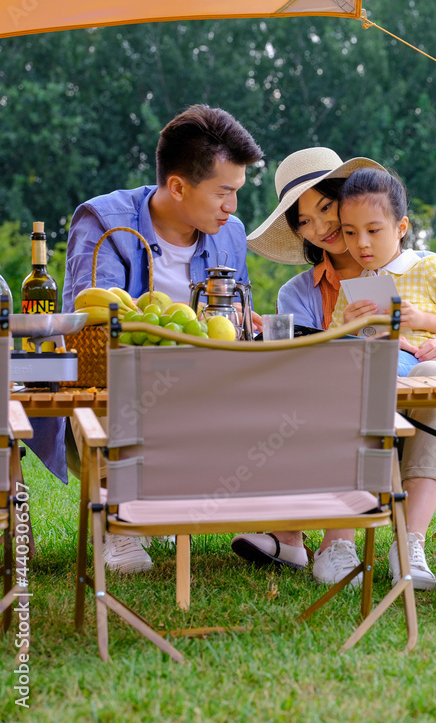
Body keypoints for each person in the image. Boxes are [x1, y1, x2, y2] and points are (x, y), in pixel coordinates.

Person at [236, 147, 436, 591]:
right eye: (304, 222)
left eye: (327, 210)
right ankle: (331, 541)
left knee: (429, 384)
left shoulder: (422, 270)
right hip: (347, 405)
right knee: (343, 394)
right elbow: (315, 361)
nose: (324, 229)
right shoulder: (304, 294)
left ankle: (404, 542)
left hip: (418, 403)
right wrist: (337, 333)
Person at [29, 104, 264, 574]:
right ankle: (117, 519)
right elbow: (91, 332)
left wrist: (242, 323)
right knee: (120, 378)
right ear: (177, 185)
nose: (231, 207)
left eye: (236, 192)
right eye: (223, 193)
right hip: (115, 392)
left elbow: (230, 326)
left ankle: (274, 521)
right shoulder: (104, 222)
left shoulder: (230, 234)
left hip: (205, 391)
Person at [331, 166, 436, 376]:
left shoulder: (426, 266)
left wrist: (424, 319)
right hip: (373, 373)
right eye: (350, 232)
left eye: (373, 230)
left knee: (429, 370)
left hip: (423, 370)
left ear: (401, 228)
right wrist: (347, 329)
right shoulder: (353, 287)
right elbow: (329, 350)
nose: (361, 243)